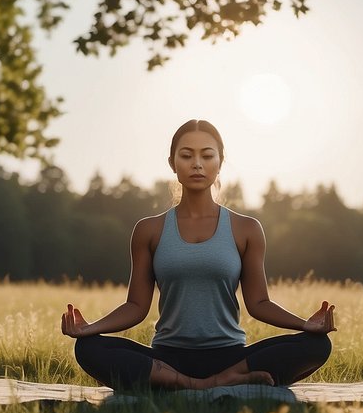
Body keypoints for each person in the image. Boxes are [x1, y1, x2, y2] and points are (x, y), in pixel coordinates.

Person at [61, 119, 336, 391]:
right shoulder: (149, 230)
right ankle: (197, 383)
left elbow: (260, 303)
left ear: (220, 162)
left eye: (207, 155)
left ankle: (215, 379)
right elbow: (135, 307)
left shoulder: (246, 229)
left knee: (317, 345)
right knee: (89, 347)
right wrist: (90, 328)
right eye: (186, 155)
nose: (197, 164)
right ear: (172, 163)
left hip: (230, 356)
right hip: (168, 357)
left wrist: (305, 324)